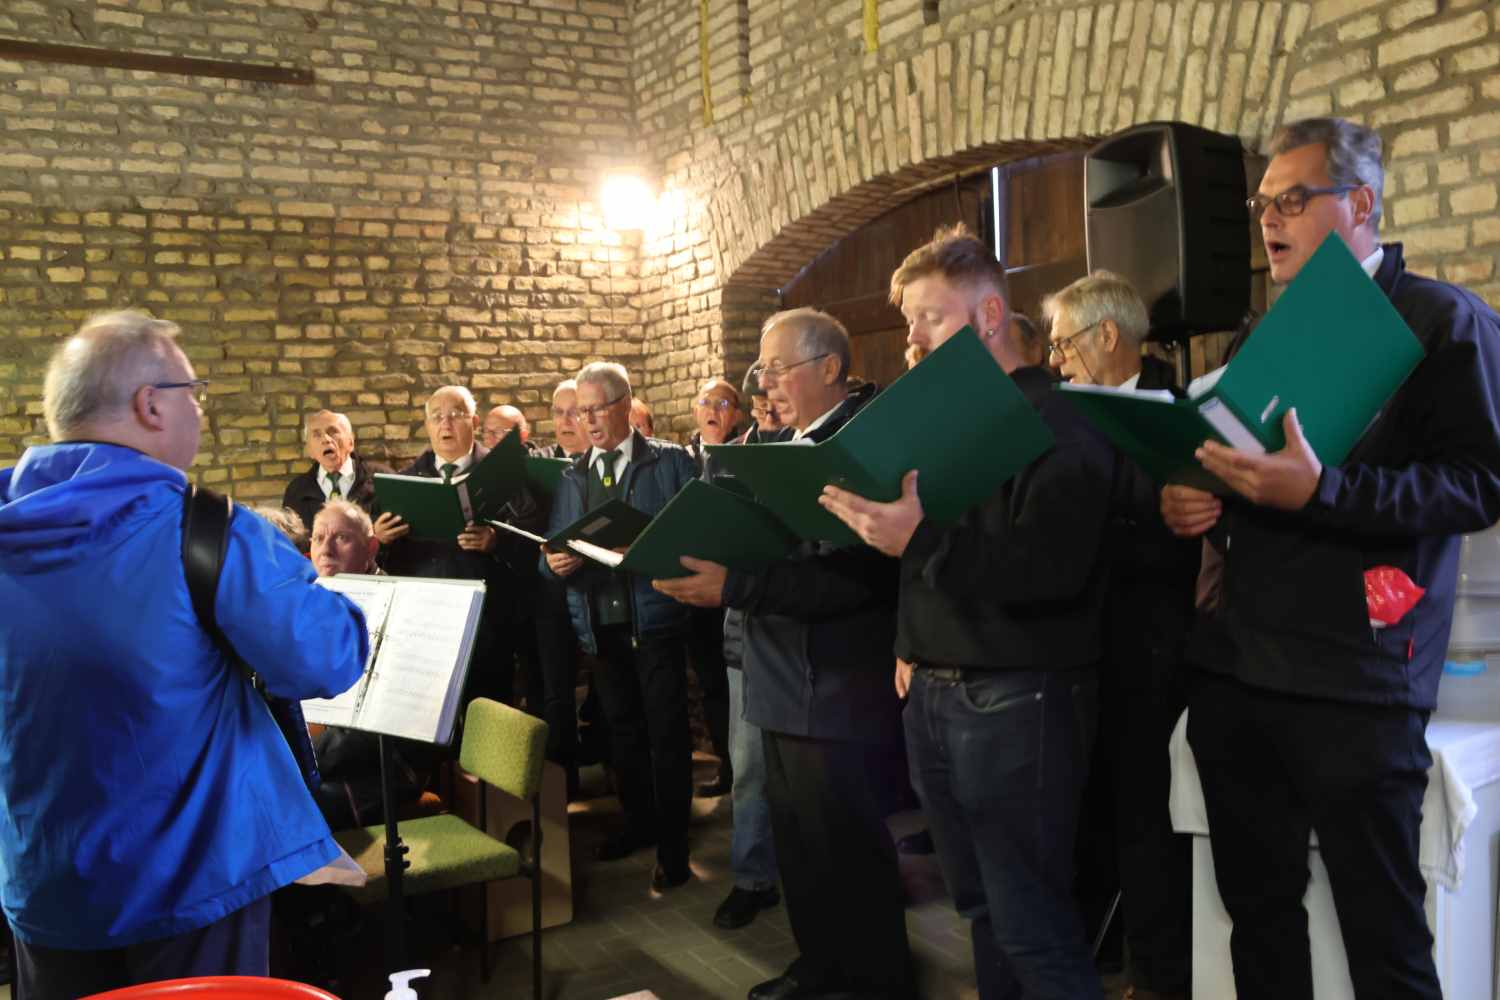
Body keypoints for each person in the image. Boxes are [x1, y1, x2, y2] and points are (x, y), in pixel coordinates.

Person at [1159, 117, 1500, 1000]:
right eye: (1263, 203)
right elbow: (1237, 479)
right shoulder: (1253, 342)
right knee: (1260, 921)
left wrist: (1327, 492)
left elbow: (1477, 486)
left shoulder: (1440, 319)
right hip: (1239, 675)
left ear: (1360, 203)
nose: (1269, 220)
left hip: (1360, 683)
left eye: (1291, 200)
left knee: (1383, 938)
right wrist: (1197, 500)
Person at [0, 311, 367, 998]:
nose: (199, 407)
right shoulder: (203, 529)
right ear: (149, 404)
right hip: (188, 884)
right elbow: (328, 657)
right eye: (193, 389)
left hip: (42, 886)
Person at [821, 224, 1114, 1000]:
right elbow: (931, 550)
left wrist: (917, 543)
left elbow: (1052, 571)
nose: (911, 338)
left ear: (989, 318)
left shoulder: (1061, 421)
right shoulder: (944, 421)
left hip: (1018, 696)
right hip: (935, 692)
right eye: (909, 321)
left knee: (1033, 923)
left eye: (931, 318)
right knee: (980, 909)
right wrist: (908, 638)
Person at [655, 309, 914, 998]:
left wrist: (735, 584)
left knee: (847, 852)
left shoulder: (859, 447)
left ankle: (876, 983)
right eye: (761, 369)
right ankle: (822, 967)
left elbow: (856, 577)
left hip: (833, 682)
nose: (765, 383)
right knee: (800, 848)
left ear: (829, 368)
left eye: (777, 367)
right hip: (777, 675)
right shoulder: (782, 443)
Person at [1046, 272, 1197, 1000]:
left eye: (1064, 343)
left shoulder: (1178, 411)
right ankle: (1091, 958)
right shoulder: (1062, 417)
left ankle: (1156, 975)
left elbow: (1180, 546)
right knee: (1081, 815)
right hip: (1072, 648)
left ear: (1108, 336)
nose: (1056, 361)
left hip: (1147, 652)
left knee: (1146, 824)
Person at [540, 362, 699, 891]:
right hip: (598, 626)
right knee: (622, 736)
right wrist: (554, 563)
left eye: (595, 409)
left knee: (668, 736)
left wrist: (646, 550)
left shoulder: (671, 463)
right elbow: (554, 547)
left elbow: (698, 535)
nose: (587, 421)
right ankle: (639, 825)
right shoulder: (572, 474)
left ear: (625, 406)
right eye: (579, 412)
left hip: (653, 621)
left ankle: (675, 847)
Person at [380, 385, 543, 709]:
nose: (446, 424)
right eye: (437, 417)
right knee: (430, 717)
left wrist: (496, 541)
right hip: (428, 621)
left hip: (491, 617)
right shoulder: (405, 482)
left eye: (455, 415)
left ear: (474, 421)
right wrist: (379, 538)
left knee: (489, 717)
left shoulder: (504, 473)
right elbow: (388, 559)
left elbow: (535, 537)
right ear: (427, 426)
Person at [682, 376, 744, 798]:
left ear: (736, 414)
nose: (713, 409)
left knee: (737, 682)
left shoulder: (747, 452)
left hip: (739, 585)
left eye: (723, 403)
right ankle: (726, 765)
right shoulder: (680, 458)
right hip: (698, 590)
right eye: (706, 401)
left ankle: (747, 771)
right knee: (710, 683)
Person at [281, 410, 392, 539]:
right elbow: (291, 543)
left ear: (351, 442)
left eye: (333, 432)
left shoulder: (383, 479)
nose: (326, 439)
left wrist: (373, 538)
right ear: (309, 450)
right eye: (317, 434)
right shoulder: (296, 490)